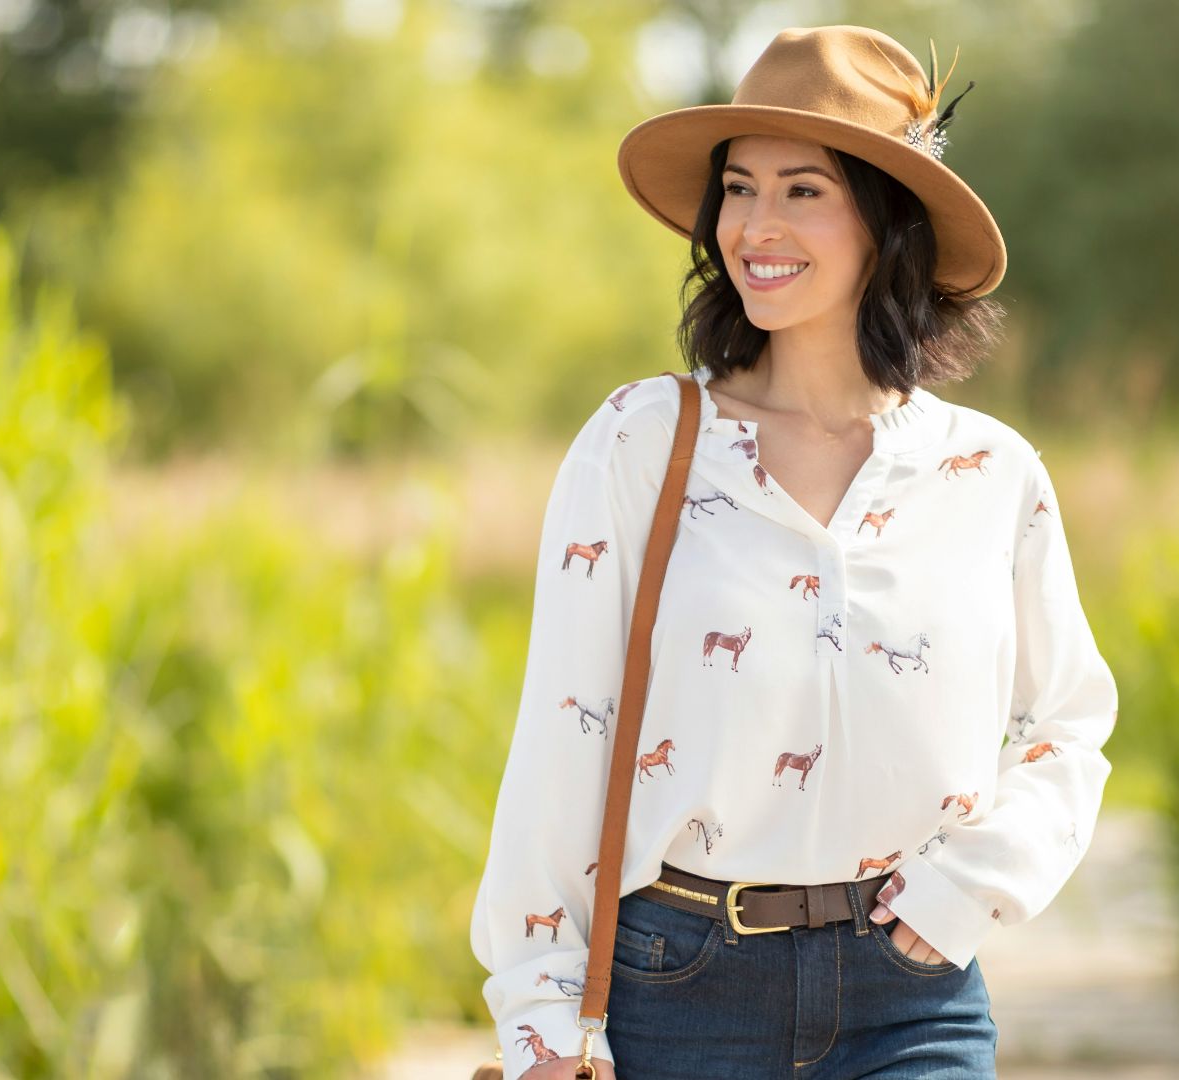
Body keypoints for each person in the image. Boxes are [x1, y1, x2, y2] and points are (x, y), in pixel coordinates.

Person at [469, 24, 1119, 1080]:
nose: (754, 225)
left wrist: (974, 886)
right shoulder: (641, 443)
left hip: (913, 998)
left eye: (803, 190)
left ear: (883, 220)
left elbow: (1070, 721)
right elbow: (562, 737)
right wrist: (542, 1016)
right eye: (739, 188)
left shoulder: (991, 476)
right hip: (675, 991)